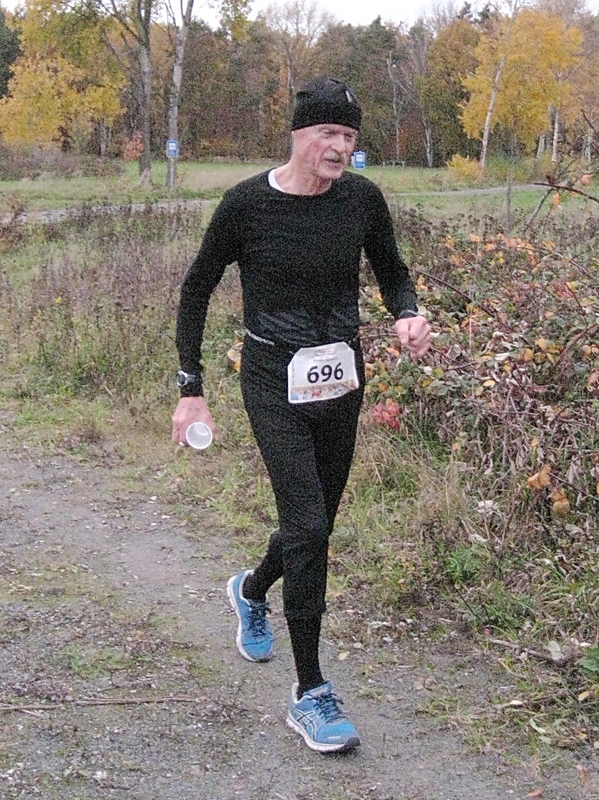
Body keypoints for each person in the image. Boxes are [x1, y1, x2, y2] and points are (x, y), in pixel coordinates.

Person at [171, 76, 431, 753]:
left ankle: (252, 588)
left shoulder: (362, 200)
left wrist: (407, 312)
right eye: (327, 133)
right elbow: (197, 289)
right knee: (309, 525)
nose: (339, 146)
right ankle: (310, 692)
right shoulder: (246, 204)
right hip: (271, 379)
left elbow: (392, 270)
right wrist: (191, 387)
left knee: (313, 525)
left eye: (349, 135)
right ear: (298, 134)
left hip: (340, 377)